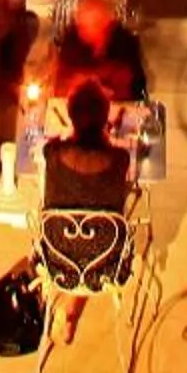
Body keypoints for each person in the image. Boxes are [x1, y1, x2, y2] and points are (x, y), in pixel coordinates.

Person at [37, 80, 134, 295]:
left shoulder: (53, 154)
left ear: (71, 117)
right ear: (105, 117)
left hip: (58, 261)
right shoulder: (119, 159)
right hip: (106, 265)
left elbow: (54, 147)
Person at [51, 0, 148, 106]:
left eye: (90, 26)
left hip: (118, 107)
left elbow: (136, 87)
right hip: (80, 107)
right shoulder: (72, 39)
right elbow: (60, 84)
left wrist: (95, 86)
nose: (82, 31)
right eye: (81, 25)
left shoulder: (125, 43)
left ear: (107, 24)